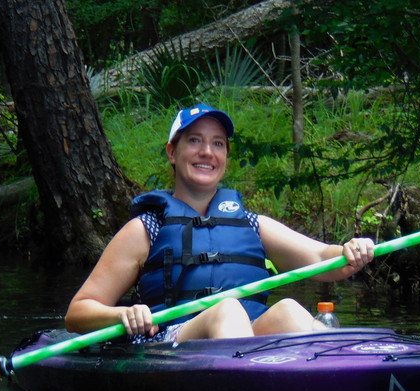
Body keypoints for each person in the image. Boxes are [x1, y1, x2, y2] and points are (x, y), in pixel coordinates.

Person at [64, 103, 375, 343]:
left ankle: (327, 382)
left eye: (218, 144)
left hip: (247, 341)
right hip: (171, 344)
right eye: (195, 140)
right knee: (226, 309)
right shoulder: (147, 229)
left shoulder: (252, 224)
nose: (206, 152)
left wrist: (351, 250)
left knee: (289, 310)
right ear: (173, 152)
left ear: (226, 155)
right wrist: (123, 314)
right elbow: (78, 313)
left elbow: (325, 260)